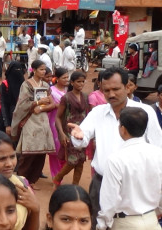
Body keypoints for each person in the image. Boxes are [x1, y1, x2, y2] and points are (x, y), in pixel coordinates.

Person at [68, 67, 162, 229]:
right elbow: (82, 138)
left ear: (127, 87)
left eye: (116, 89)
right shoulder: (98, 112)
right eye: (106, 90)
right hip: (101, 183)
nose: (111, 94)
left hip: (136, 185)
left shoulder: (145, 112)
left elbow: (158, 146)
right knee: (98, 223)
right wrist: (78, 136)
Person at [97, 107, 162, 230]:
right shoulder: (159, 154)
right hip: (151, 220)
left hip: (125, 223)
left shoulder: (116, 159)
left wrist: (102, 224)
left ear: (123, 129)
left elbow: (109, 200)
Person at [11, 60, 55, 189]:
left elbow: (52, 104)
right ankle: (21, 180)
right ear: (34, 70)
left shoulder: (46, 85)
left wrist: (41, 107)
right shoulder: (27, 85)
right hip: (30, 119)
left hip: (42, 119)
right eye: (41, 69)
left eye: (44, 69)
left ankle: (32, 180)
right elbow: (22, 104)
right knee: (28, 152)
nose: (43, 72)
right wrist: (37, 103)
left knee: (40, 153)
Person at [53, 72, 88, 188]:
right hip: (69, 132)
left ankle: (75, 186)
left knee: (81, 159)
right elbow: (58, 117)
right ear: (72, 83)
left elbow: (87, 116)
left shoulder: (85, 96)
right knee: (72, 160)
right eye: (78, 81)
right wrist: (61, 134)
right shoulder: (66, 97)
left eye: (83, 81)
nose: (81, 84)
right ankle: (58, 178)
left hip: (82, 132)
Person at [47, 68, 68, 178]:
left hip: (66, 123)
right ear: (57, 79)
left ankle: (60, 174)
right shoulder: (51, 91)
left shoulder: (67, 92)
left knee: (65, 149)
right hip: (54, 121)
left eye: (67, 77)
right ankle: (56, 175)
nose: (66, 80)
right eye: (64, 78)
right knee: (55, 150)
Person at [0, 61, 25, 136]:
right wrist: (7, 124)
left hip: (20, 117)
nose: (17, 72)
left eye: (19, 69)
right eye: (15, 69)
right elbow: (4, 104)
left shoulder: (24, 85)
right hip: (7, 117)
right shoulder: (5, 84)